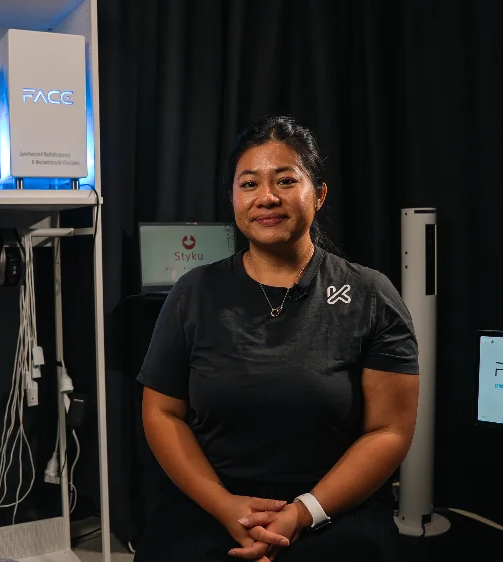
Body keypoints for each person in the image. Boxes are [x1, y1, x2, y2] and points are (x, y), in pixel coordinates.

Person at [132, 116, 420, 562]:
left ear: (319, 195)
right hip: (214, 502)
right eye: (249, 184)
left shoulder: (369, 293)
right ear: (233, 198)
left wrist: (305, 511)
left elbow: (389, 429)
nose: (266, 197)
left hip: (335, 507)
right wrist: (224, 505)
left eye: (286, 180)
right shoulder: (193, 293)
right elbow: (162, 412)